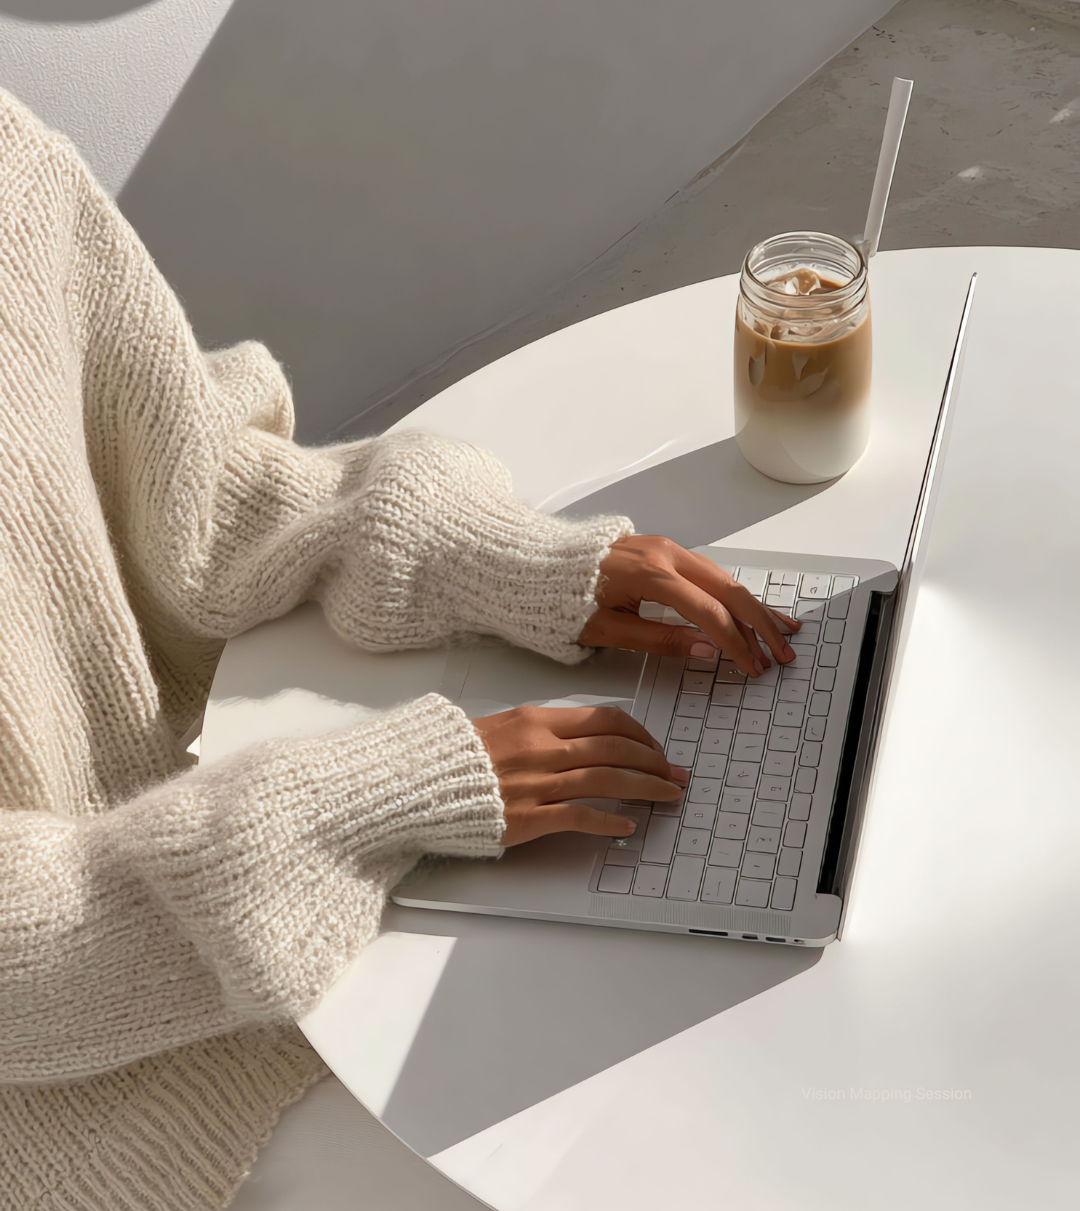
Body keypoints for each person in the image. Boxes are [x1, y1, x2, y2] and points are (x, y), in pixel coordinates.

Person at [0, 88, 796, 1211]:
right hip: (97, 1090)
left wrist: (472, 553)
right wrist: (375, 800)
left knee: (734, 1016)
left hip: (233, 816)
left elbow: (193, 478)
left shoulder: (8, 169)